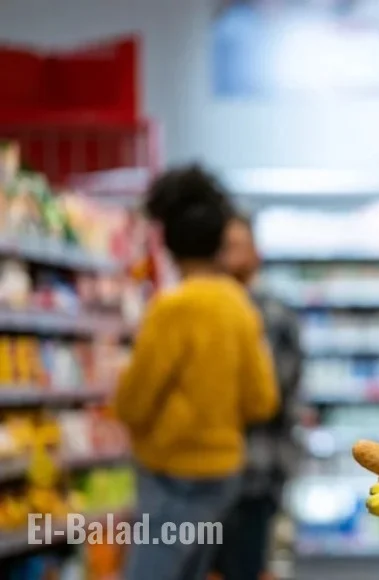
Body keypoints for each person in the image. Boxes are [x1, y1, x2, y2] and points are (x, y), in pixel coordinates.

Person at [112, 165, 279, 580]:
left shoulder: (172, 308)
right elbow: (262, 399)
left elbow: (133, 402)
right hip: (223, 474)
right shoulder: (238, 304)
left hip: (172, 473)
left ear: (167, 241)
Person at [211, 213, 304, 580]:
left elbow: (268, 397)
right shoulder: (209, 311)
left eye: (237, 247)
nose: (229, 259)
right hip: (209, 477)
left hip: (256, 475)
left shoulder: (273, 315)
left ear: (255, 256)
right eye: (223, 248)